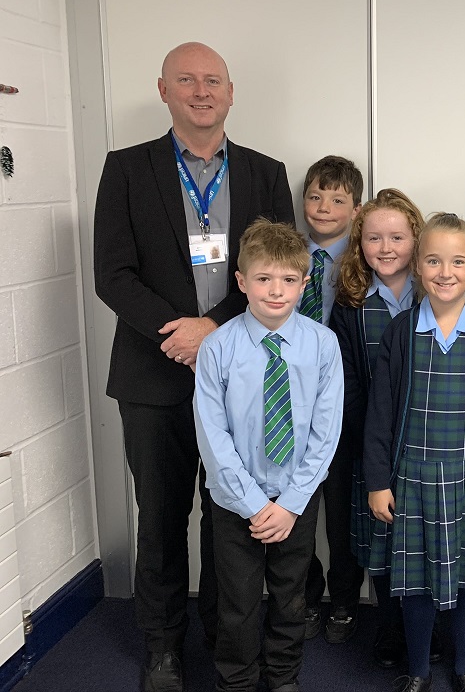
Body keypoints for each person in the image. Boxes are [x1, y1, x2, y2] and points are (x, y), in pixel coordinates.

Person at [93, 42, 293, 692]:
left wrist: (216, 329)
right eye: (187, 80)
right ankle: (162, 648)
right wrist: (175, 332)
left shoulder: (266, 173)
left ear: (231, 92)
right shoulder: (126, 169)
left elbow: (282, 271)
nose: (201, 91)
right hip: (154, 376)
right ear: (163, 89)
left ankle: (223, 636)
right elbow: (113, 273)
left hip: (239, 374)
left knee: (230, 514)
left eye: (213, 81)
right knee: (161, 515)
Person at [364, 213, 465, 692]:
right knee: (414, 580)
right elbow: (380, 415)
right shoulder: (402, 332)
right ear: (418, 267)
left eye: (457, 261)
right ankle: (418, 671)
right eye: (433, 260)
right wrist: (377, 482)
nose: (445, 272)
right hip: (410, 475)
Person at [193, 219, 343, 692]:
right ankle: (236, 680)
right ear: (241, 282)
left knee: (290, 596)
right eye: (263, 279)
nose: (275, 291)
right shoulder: (218, 347)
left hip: (296, 498)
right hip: (236, 500)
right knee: (235, 600)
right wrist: (256, 505)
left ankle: (282, 678)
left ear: (304, 282)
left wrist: (291, 503)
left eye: (288, 280)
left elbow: (326, 430)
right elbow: (212, 434)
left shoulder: (322, 344)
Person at [329, 188, 428, 667]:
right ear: (359, 243)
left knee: (428, 537)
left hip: (430, 442)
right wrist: (371, 445)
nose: (385, 248)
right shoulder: (349, 304)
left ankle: (429, 633)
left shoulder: (437, 291)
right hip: (374, 443)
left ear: (417, 239)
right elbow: (345, 381)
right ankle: (389, 631)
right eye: (373, 238)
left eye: (397, 237)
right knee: (384, 539)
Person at [298, 155, 364, 641]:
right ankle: (304, 590)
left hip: (341, 401)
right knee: (297, 505)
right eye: (316, 196)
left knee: (341, 507)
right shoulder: (287, 256)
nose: (324, 208)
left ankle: (343, 597)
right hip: (288, 400)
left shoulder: (362, 264)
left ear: (356, 210)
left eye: (338, 200)